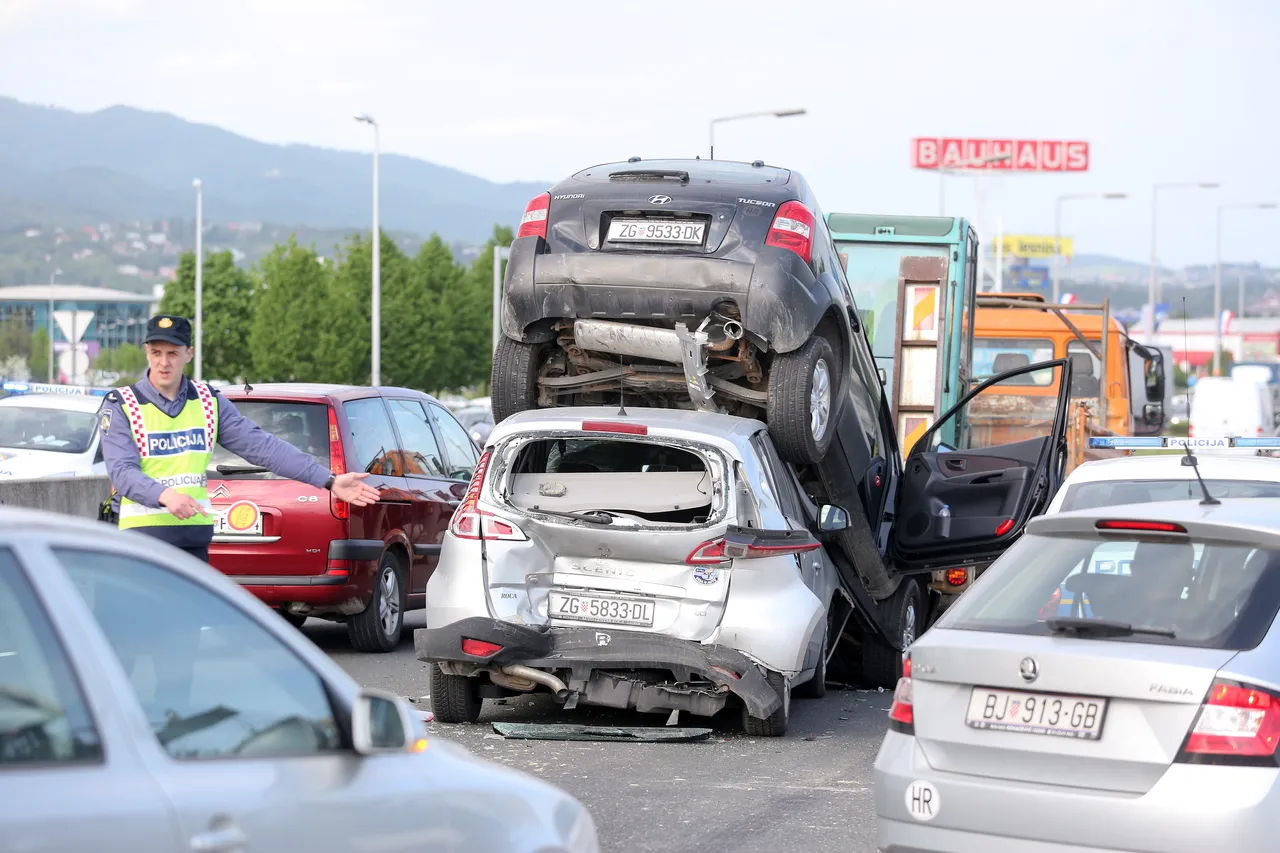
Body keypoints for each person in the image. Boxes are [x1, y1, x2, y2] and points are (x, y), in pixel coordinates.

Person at [99, 314, 380, 562]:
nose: (163, 362)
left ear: (189, 354)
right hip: (144, 541)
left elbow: (263, 448)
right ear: (147, 352)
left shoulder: (209, 402)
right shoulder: (122, 404)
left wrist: (329, 480)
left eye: (172, 353)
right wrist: (165, 496)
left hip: (194, 541)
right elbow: (122, 472)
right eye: (156, 352)